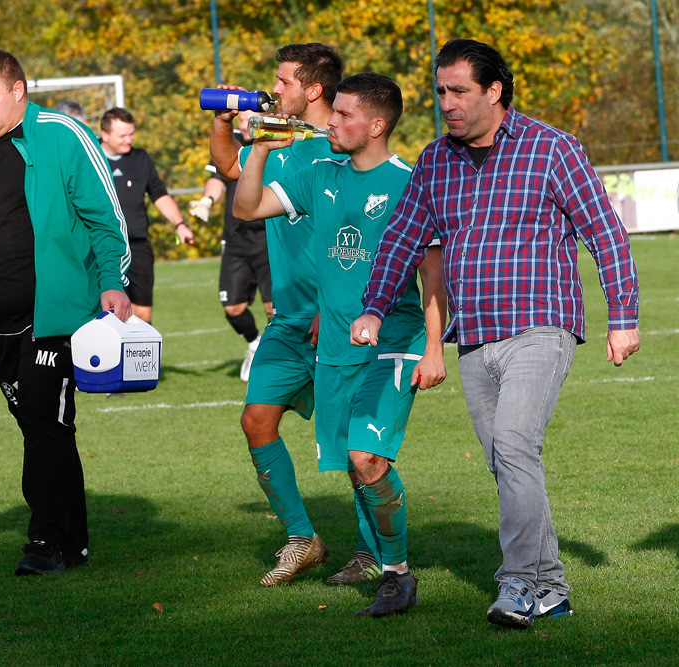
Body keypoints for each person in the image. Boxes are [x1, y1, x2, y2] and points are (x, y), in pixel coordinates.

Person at [351, 39, 641, 628]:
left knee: (513, 446)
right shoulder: (435, 161)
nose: (447, 103)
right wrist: (375, 307)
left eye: (459, 91)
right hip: (475, 336)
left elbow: (604, 232)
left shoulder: (551, 148)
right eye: (441, 92)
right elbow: (402, 238)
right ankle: (552, 584)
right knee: (505, 462)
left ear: (493, 91)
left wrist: (623, 316)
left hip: (542, 324)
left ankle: (517, 585)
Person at [234, 73, 446, 617]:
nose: (332, 120)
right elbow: (247, 208)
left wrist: (435, 348)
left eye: (345, 115)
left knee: (366, 456)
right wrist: (257, 149)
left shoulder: (409, 181)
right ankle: (375, 558)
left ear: (376, 125)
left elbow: (432, 271)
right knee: (355, 465)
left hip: (395, 341)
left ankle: (397, 573)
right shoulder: (320, 173)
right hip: (335, 348)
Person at [0, 50, 133, 575]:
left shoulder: (63, 135)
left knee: (45, 421)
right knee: (38, 426)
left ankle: (43, 542)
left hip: (54, 316)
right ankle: (74, 542)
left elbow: (106, 220)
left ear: (19, 91)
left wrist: (113, 283)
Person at [209, 42, 342, 586]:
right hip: (288, 318)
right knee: (256, 421)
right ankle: (301, 538)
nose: (274, 88)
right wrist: (224, 125)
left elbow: (354, 231)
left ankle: (380, 553)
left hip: (333, 318)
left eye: (284, 80)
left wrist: (336, 305)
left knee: (351, 443)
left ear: (313, 88)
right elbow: (229, 167)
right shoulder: (281, 136)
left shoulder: (342, 141)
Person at [190, 113, 272, 382]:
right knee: (233, 308)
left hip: (269, 238)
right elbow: (219, 177)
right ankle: (254, 342)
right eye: (239, 121)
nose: (241, 126)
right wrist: (206, 201)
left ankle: (277, 359)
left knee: (274, 308)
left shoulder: (273, 143)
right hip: (236, 241)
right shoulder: (231, 143)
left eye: (248, 120)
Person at [100, 106, 195, 323]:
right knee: (105, 312)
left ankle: (138, 357)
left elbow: (159, 195)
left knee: (142, 315)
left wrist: (180, 224)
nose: (128, 140)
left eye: (131, 134)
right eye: (122, 135)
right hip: (103, 247)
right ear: (105, 135)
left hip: (137, 247)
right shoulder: (89, 157)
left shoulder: (141, 158)